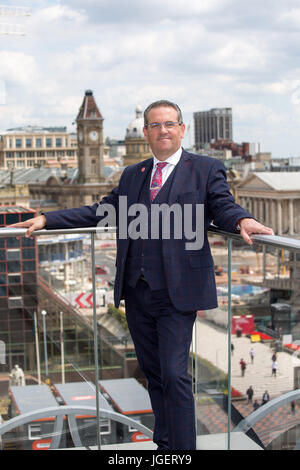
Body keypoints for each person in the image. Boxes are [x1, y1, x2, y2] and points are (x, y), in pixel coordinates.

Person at [8, 100, 274, 450]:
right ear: (145, 132)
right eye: (155, 125)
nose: (163, 130)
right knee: (155, 375)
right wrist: (48, 219)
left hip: (178, 291)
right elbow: (102, 211)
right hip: (137, 291)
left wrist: (241, 220)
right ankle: (165, 445)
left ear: (181, 129)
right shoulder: (134, 175)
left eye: (169, 124)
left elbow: (222, 204)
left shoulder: (206, 168)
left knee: (176, 375)